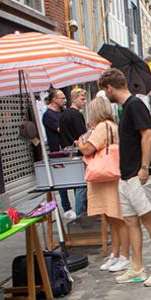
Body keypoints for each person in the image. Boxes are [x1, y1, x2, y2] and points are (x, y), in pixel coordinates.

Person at [98, 68, 151, 287]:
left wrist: (144, 167)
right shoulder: (127, 107)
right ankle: (137, 267)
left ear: (110, 87)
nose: (106, 95)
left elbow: (147, 135)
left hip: (139, 174)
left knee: (149, 220)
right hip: (127, 174)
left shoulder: (135, 105)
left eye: (105, 91)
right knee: (130, 220)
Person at [76, 97, 131, 273]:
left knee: (116, 218)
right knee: (112, 217)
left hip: (106, 178)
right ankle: (117, 254)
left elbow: (87, 149)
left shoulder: (102, 127)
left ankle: (123, 255)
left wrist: (80, 142)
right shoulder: (112, 125)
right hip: (110, 175)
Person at [42, 89, 77, 221]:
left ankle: (79, 205)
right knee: (62, 180)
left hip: (69, 149)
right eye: (62, 98)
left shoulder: (62, 112)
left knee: (74, 177)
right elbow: (61, 129)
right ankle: (66, 208)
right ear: (54, 99)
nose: (64, 100)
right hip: (57, 151)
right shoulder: (48, 115)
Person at [60, 88, 89, 218]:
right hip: (78, 152)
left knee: (78, 185)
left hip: (68, 152)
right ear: (74, 99)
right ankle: (81, 215)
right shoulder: (76, 115)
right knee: (82, 185)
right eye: (82, 99)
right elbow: (82, 135)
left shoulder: (64, 114)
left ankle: (80, 215)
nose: (84, 102)